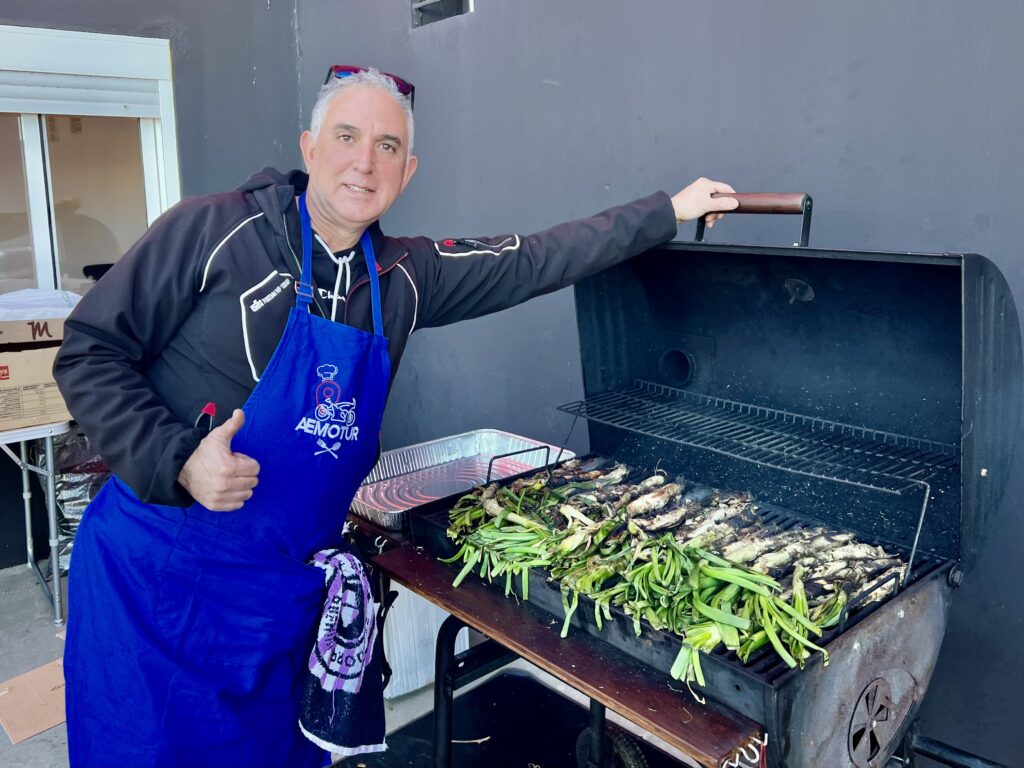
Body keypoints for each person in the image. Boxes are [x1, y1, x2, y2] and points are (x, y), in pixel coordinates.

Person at [53, 65, 738, 767]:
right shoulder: (214, 230)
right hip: (160, 588)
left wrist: (668, 212)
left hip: (282, 600)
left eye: (387, 147)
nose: (365, 162)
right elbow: (88, 351)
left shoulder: (405, 276)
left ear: (407, 172)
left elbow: (537, 258)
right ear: (310, 147)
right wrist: (178, 460)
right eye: (346, 136)